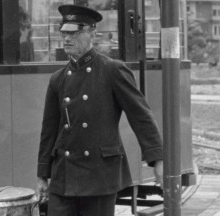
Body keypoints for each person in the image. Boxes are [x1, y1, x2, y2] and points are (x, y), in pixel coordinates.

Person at [36, 5, 163, 216]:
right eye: (64, 33)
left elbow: (141, 116)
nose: (67, 38)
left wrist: (158, 160)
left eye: (74, 33)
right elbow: (48, 131)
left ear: (92, 34)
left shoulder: (112, 70)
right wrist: (42, 174)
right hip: (64, 176)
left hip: (99, 174)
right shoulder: (58, 79)